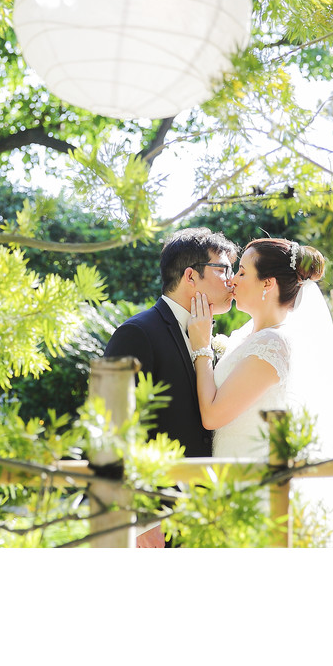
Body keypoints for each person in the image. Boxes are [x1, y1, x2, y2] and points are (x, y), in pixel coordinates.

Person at [187, 238, 333, 547]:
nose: (232, 279)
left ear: (267, 283)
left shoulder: (275, 344)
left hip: (259, 490)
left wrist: (201, 347)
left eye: (241, 272)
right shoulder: (247, 335)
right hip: (235, 480)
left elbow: (213, 415)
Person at [103, 227, 238, 548]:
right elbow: (110, 429)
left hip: (207, 515)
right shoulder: (137, 332)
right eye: (224, 270)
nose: (232, 280)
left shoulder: (208, 336)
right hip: (159, 519)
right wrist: (140, 521)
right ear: (191, 277)